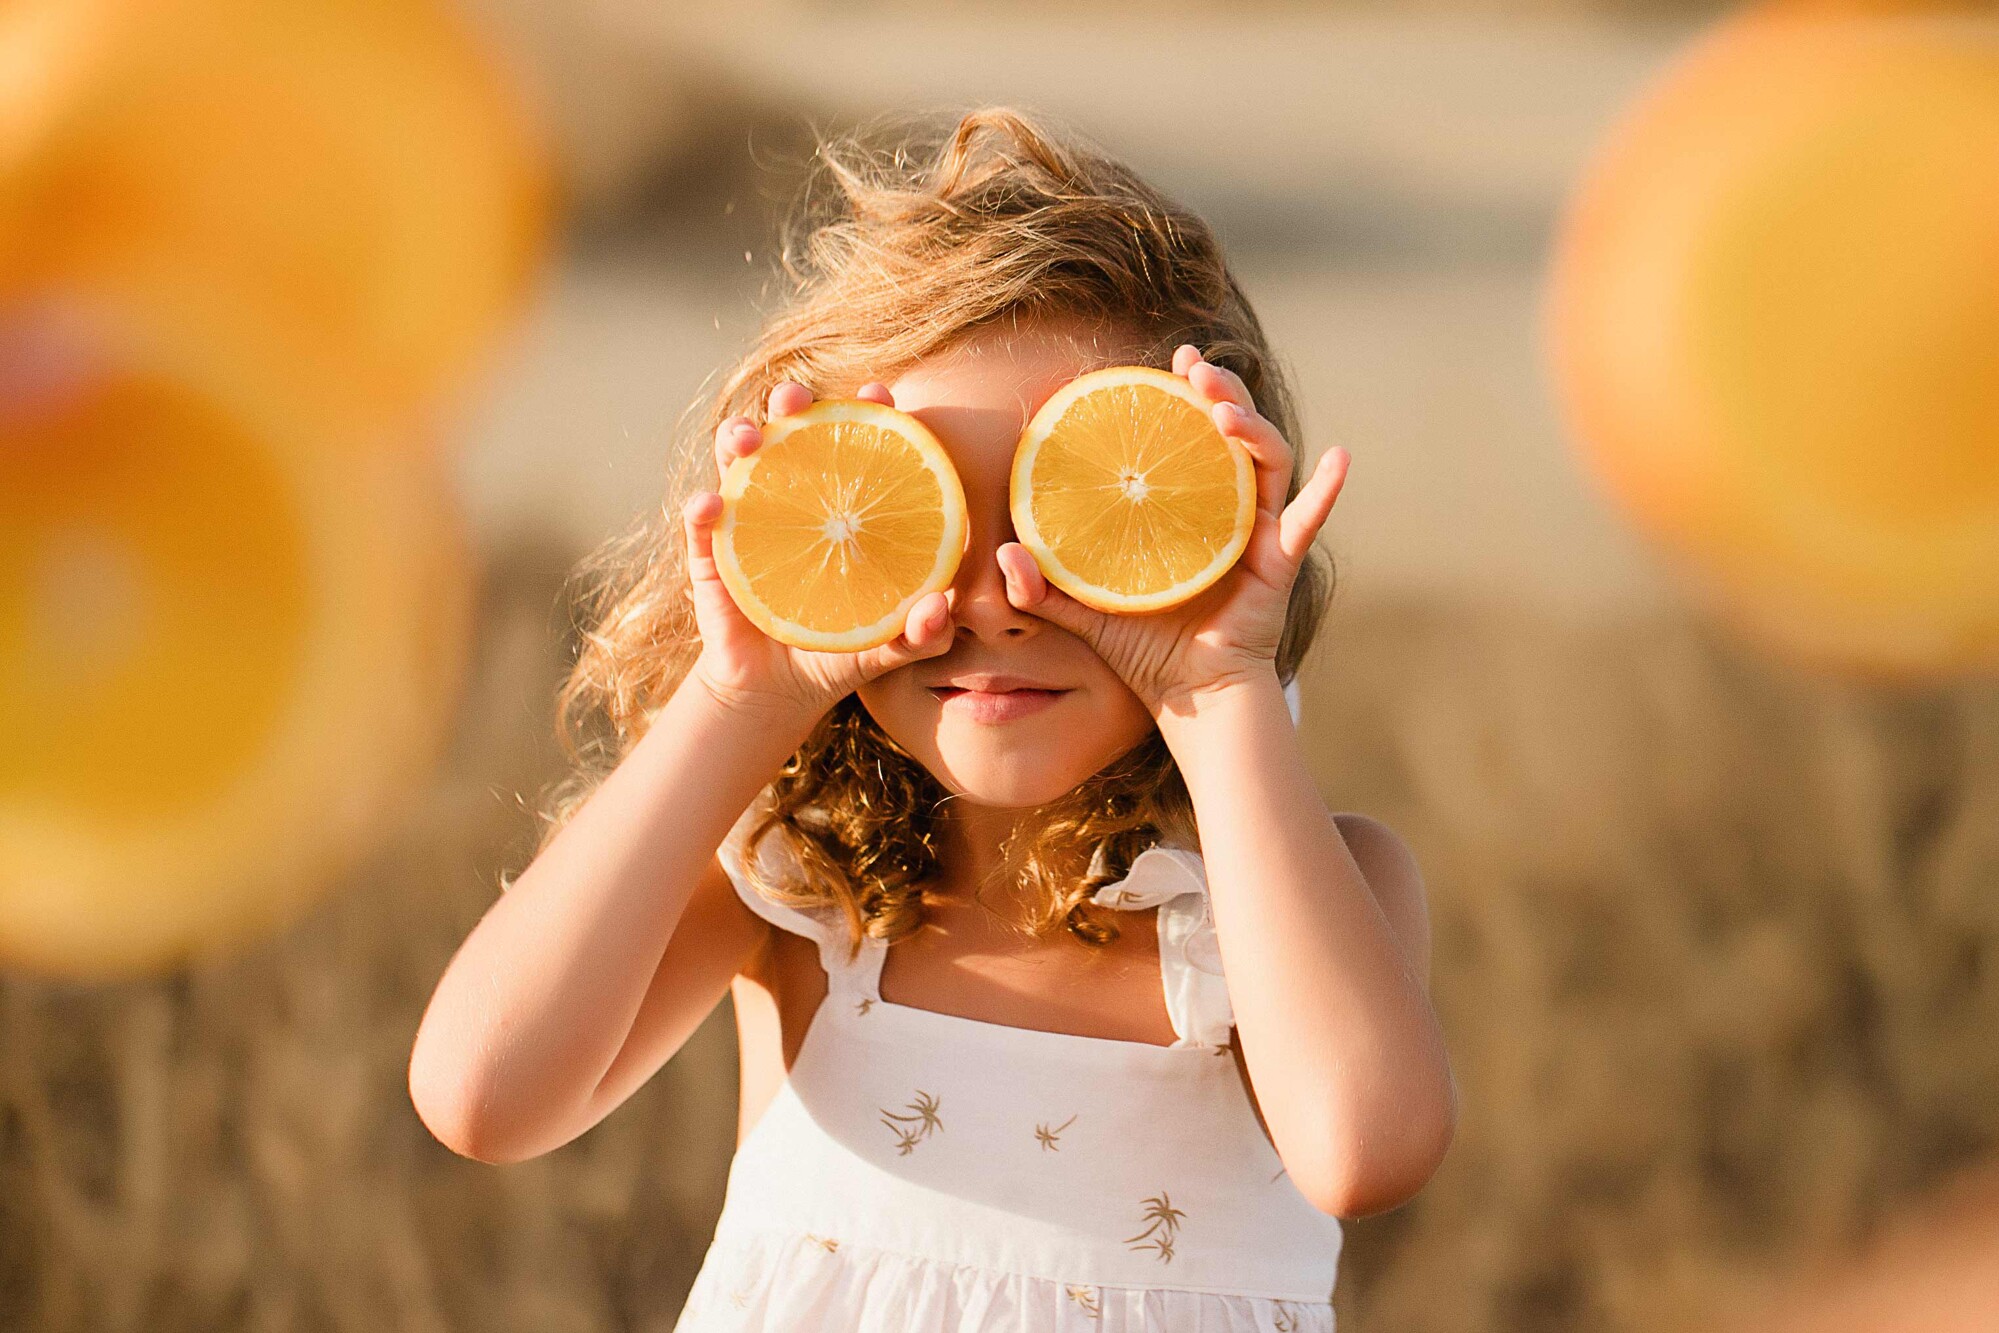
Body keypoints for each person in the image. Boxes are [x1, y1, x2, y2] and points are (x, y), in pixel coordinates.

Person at [409, 106, 1457, 1331]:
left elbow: (1365, 1151)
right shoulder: (794, 890)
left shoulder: (1302, 905)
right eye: (923, 523)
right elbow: (481, 1095)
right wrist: (739, 699)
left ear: (1211, 529)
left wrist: (1216, 688)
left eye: (1075, 524)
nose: (996, 599)